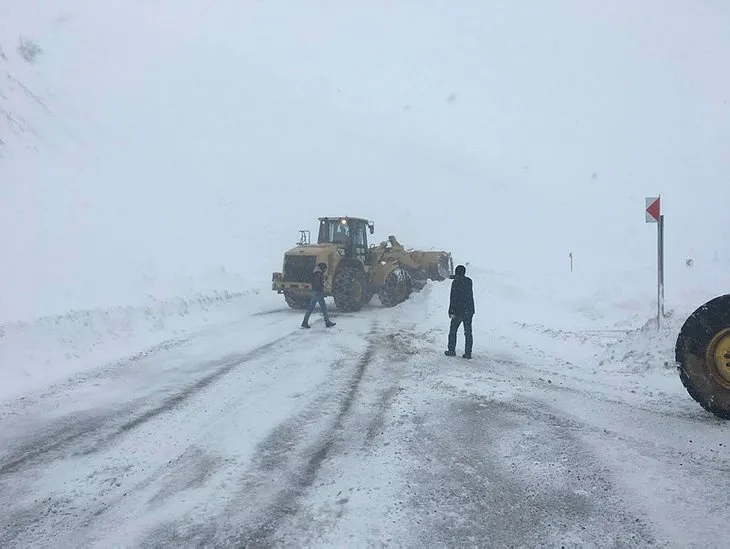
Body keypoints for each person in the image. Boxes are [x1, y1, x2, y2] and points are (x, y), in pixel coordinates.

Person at [445, 264, 474, 358]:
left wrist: (451, 311)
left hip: (458, 311)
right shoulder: (469, 281)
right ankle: (468, 353)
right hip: (469, 310)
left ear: (457, 273)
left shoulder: (455, 282)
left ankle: (451, 350)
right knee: (468, 332)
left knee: (453, 331)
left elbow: (453, 298)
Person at [302, 262, 336, 328]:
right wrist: (322, 287)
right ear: (322, 268)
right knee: (324, 308)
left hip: (314, 292)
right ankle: (327, 322)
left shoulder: (315, 272)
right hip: (318, 292)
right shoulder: (319, 274)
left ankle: (305, 322)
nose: (325, 270)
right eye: (325, 269)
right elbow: (318, 283)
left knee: (310, 308)